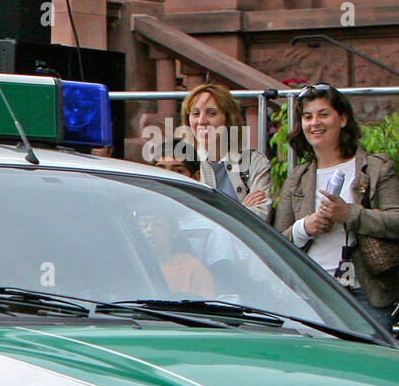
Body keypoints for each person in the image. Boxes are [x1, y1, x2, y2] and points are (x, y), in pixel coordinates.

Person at [274, 83, 399, 329]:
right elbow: (276, 242)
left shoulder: (376, 168)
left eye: (323, 114)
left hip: (365, 294)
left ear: (342, 119)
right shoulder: (297, 178)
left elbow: (396, 220)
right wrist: (304, 228)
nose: (314, 123)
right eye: (307, 117)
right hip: (311, 292)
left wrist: (349, 213)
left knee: (365, 364)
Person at [179, 83, 273, 221]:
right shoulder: (180, 162)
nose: (201, 121)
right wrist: (240, 209)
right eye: (195, 113)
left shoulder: (254, 162)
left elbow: (261, 218)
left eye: (212, 113)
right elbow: (185, 218)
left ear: (228, 119)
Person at [138, 207, 214, 298]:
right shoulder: (131, 267)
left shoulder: (192, 269)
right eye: (144, 225)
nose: (150, 229)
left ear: (174, 232)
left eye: (158, 224)